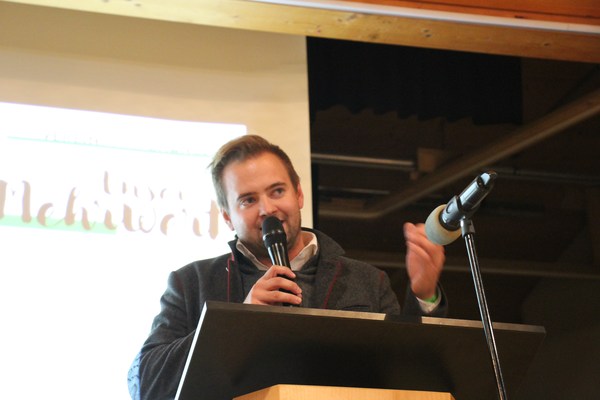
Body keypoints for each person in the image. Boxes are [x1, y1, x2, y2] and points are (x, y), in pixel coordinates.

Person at [127, 135, 446, 400]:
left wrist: (424, 294)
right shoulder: (190, 283)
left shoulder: (367, 280)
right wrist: (238, 320)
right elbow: (147, 383)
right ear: (227, 217)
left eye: (277, 191)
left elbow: (412, 377)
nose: (267, 209)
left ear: (299, 194)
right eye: (248, 200)